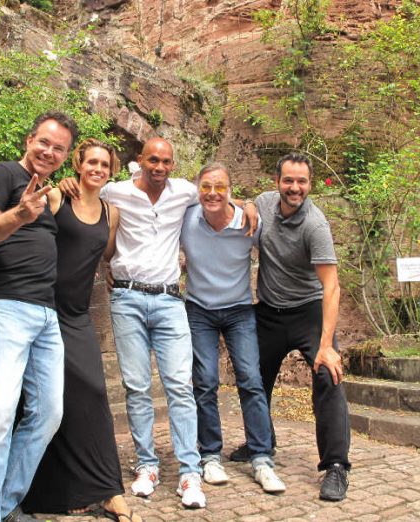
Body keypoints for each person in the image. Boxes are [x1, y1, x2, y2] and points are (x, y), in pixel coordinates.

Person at [59, 137, 258, 509]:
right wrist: (68, 183)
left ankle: (189, 472)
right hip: (128, 298)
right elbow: (87, 190)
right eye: (153, 159)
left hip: (169, 300)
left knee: (180, 386)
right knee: (136, 387)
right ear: (140, 161)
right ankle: (147, 465)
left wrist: (245, 203)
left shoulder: (183, 191)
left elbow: (218, 193)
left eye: (166, 160)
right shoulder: (117, 192)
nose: (159, 167)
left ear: (173, 164)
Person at [0, 112, 77, 522]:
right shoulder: (4, 175)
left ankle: (4, 504)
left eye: (58, 147)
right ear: (29, 140)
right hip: (3, 307)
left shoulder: (49, 194)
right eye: (43, 142)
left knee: (48, 413)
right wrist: (18, 215)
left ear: (65, 156)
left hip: (45, 315)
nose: (48, 151)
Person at [19, 139, 141, 522]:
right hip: (42, 309)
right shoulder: (57, 197)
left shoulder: (112, 214)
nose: (98, 169)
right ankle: (40, 492)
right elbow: (29, 239)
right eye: (91, 162)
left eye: (105, 164)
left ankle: (108, 490)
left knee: (92, 393)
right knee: (44, 401)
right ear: (78, 164)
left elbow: (102, 256)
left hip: (75, 315)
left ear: (111, 170)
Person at [230, 152, 351, 502]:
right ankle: (261, 441)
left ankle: (336, 467)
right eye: (288, 180)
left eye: (301, 182)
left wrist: (326, 344)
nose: (294, 188)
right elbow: (228, 200)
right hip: (268, 311)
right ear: (277, 181)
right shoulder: (266, 203)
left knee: (329, 375)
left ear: (309, 184)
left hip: (308, 312)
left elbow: (332, 286)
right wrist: (249, 203)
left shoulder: (315, 225)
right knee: (253, 377)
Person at [180, 163, 286, 494]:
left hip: (239, 310)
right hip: (199, 310)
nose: (212, 193)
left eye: (220, 187)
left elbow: (276, 254)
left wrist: (249, 204)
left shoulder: (249, 223)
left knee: (251, 381)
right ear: (198, 189)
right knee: (205, 381)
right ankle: (210, 454)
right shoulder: (187, 219)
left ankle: (262, 458)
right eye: (206, 187)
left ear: (230, 190)